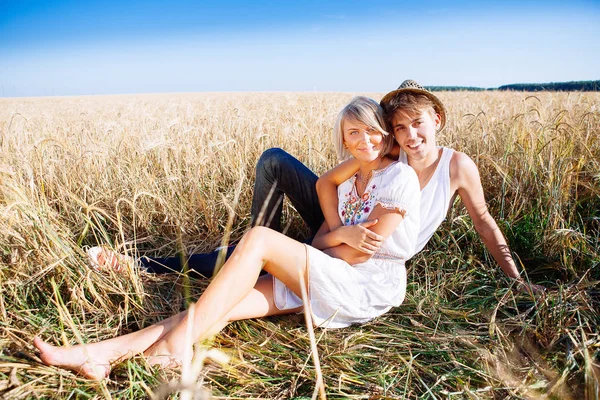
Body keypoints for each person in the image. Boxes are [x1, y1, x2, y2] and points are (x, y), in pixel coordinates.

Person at [34, 96, 421, 380]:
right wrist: (340, 233)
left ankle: (173, 349)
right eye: (354, 132)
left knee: (259, 239)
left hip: (363, 287)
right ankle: (99, 355)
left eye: (372, 130)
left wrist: (334, 242)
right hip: (327, 273)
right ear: (344, 139)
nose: (364, 140)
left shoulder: (399, 179)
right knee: (212, 308)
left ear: (385, 133)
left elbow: (357, 257)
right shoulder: (350, 182)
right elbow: (320, 245)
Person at [89, 80, 542, 294]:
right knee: (274, 162)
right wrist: (334, 227)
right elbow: (328, 182)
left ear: (437, 120)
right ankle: (246, 247)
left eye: (418, 124)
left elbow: (483, 220)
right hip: (342, 229)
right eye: (399, 127)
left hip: (371, 253)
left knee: (271, 257)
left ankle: (149, 265)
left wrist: (518, 281)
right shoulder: (386, 152)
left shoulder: (457, 166)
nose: (410, 136)